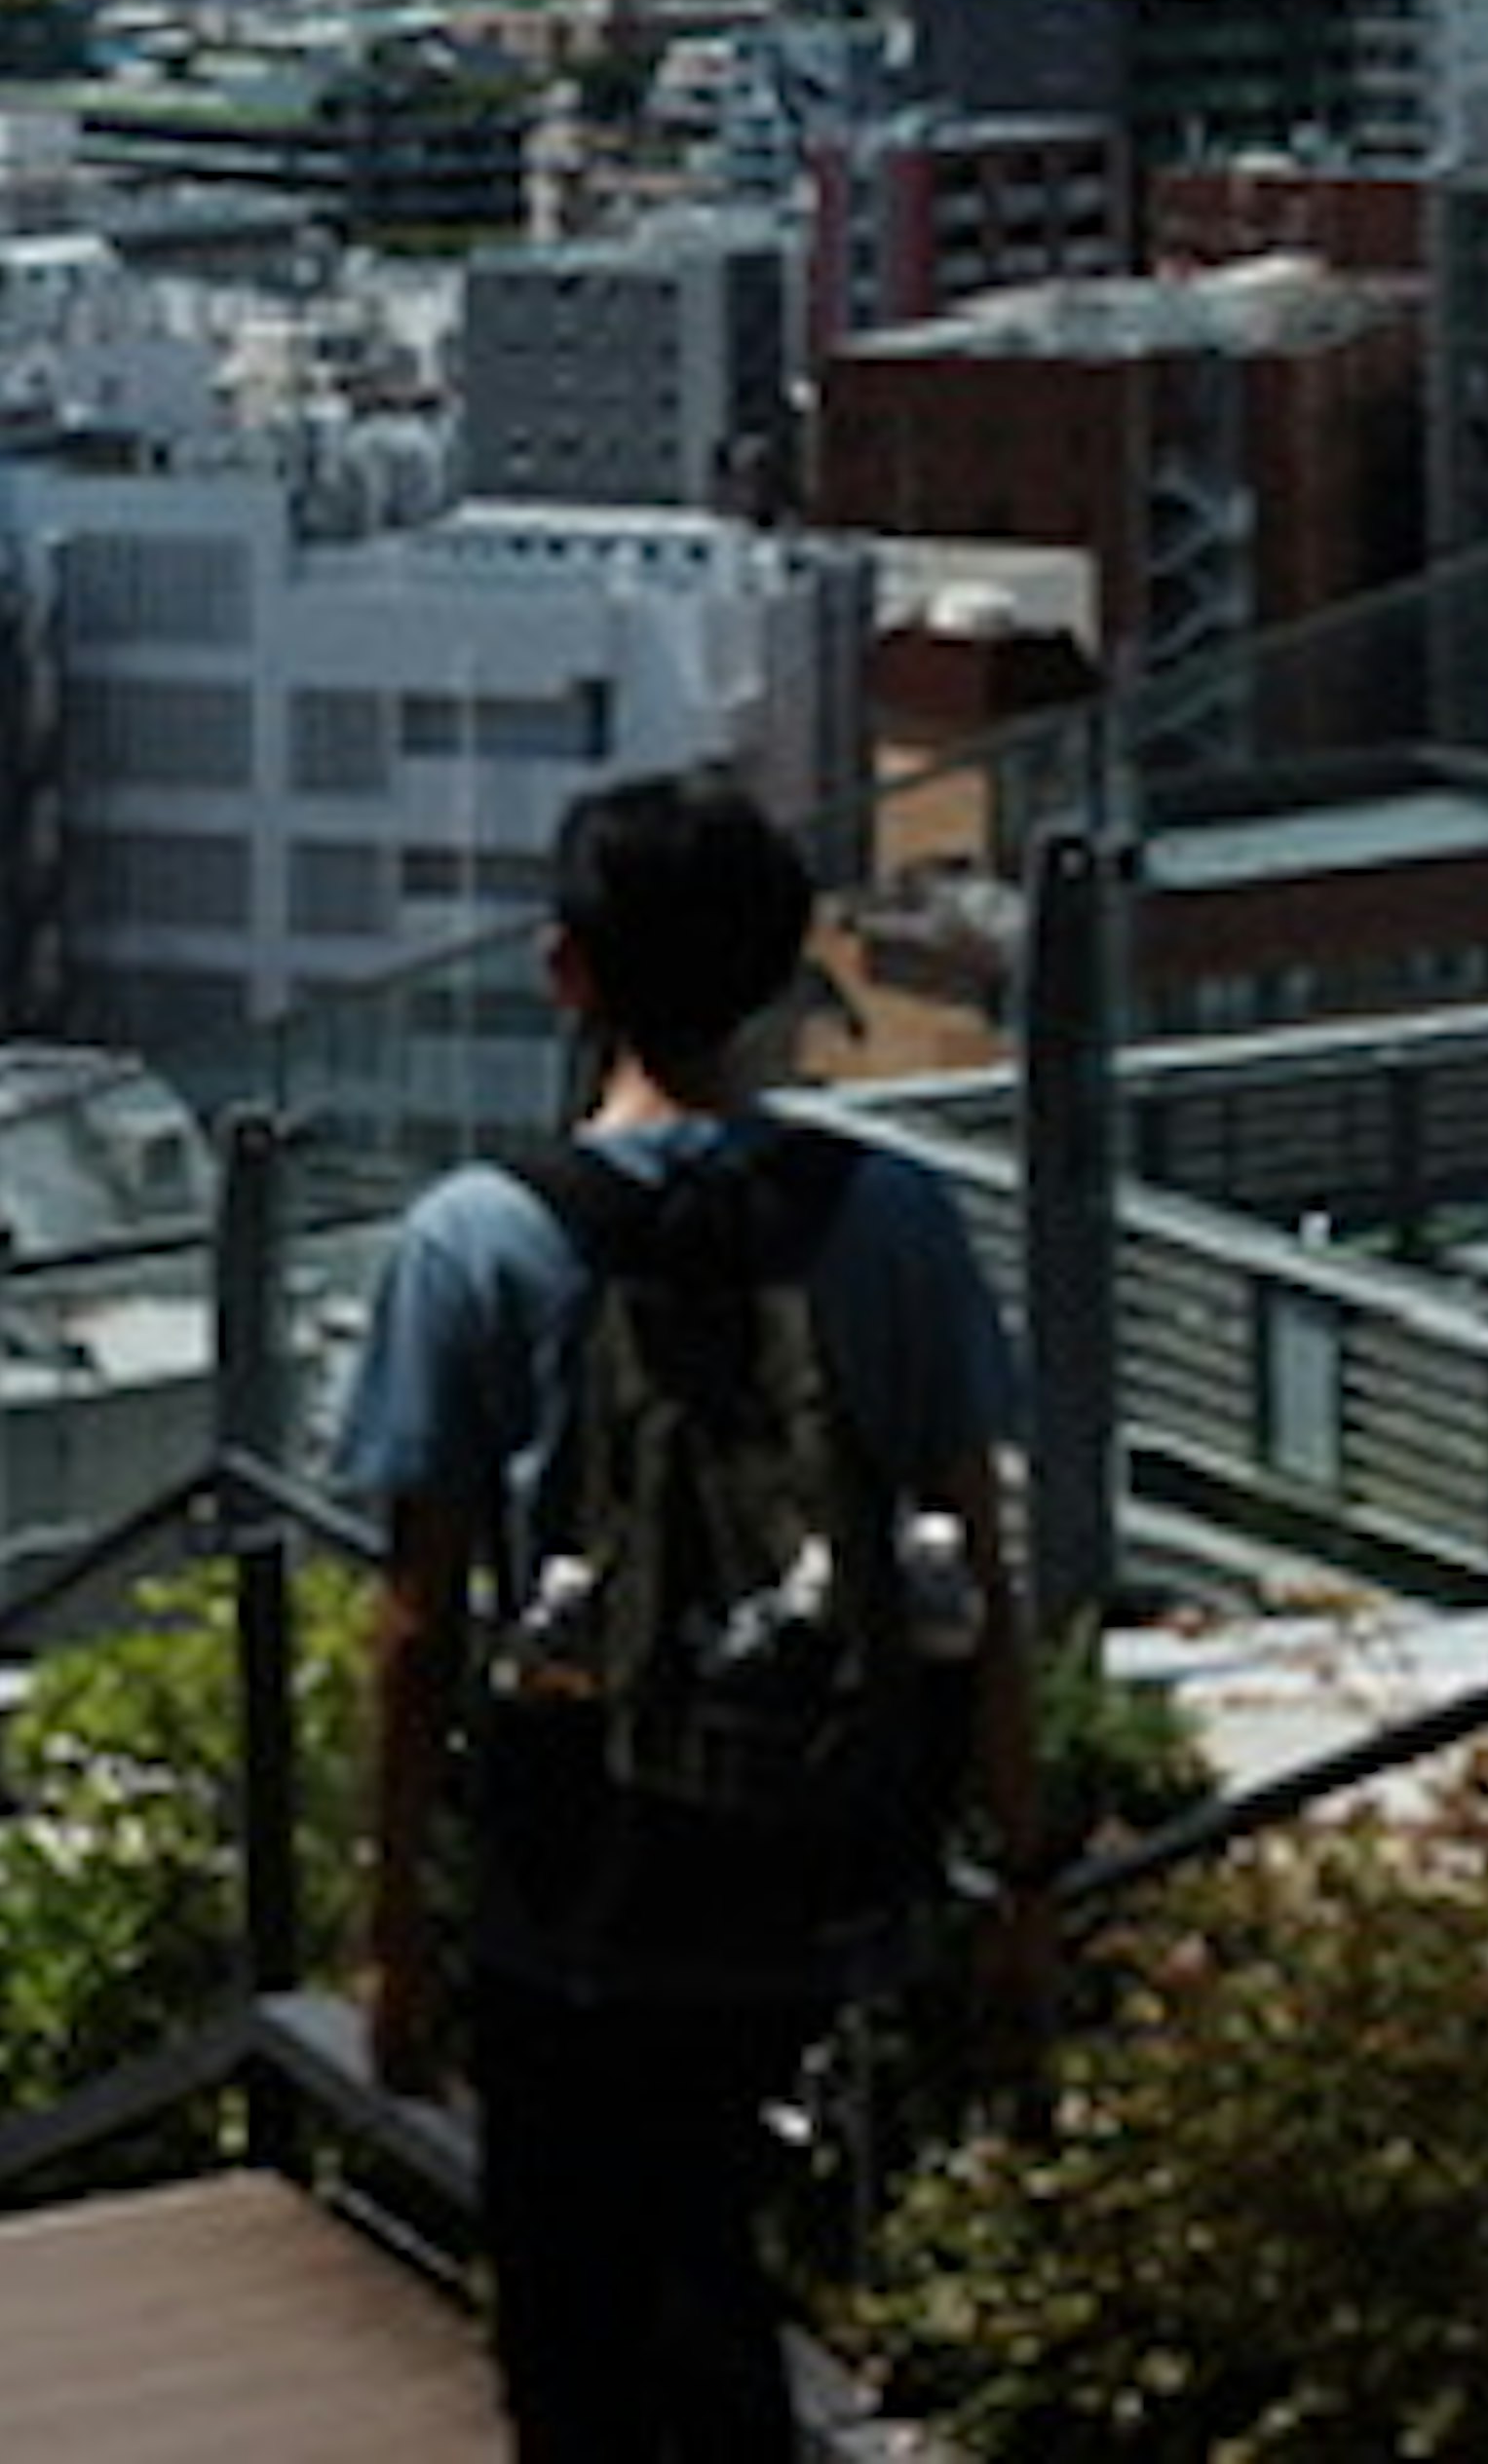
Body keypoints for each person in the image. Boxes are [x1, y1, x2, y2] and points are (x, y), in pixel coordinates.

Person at [338, 767, 1046, 2464]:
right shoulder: (894, 1220)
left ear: (565, 971)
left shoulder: (474, 1242)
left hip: (575, 1874)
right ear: (783, 969)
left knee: (583, 2326)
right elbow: (980, 1570)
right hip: (825, 1853)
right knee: (743, 2261)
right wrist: (1020, 1871)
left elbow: (419, 1624)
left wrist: (398, 1930)